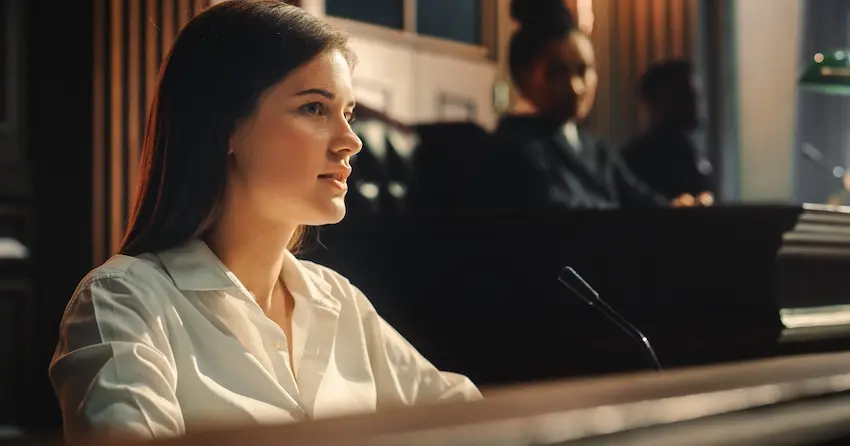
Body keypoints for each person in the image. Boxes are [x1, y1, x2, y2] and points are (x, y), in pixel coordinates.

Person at [48, 1, 481, 441]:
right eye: (314, 108)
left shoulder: (337, 301)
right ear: (226, 128)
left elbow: (474, 422)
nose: (351, 140)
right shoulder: (121, 303)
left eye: (348, 114)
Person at [482, 0, 667, 210]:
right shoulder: (515, 149)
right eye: (557, 72)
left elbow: (645, 202)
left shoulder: (596, 150)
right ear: (523, 77)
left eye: (583, 70)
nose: (575, 87)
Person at [621, 59, 714, 205]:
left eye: (697, 92)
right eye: (686, 92)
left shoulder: (689, 151)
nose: (696, 100)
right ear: (659, 100)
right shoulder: (638, 159)